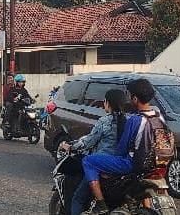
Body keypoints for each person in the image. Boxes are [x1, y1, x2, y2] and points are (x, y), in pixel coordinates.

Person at [80, 79, 163, 215]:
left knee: (88, 161)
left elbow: (121, 149)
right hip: (156, 165)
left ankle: (100, 204)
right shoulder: (159, 118)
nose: (128, 99)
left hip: (132, 164)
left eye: (129, 95)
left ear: (135, 98)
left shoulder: (135, 120)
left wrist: (109, 167)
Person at [60, 89, 128, 215]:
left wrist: (70, 147)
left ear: (108, 103)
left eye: (105, 101)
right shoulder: (128, 121)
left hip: (101, 165)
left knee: (77, 198)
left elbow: (89, 142)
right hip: (121, 165)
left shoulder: (105, 121)